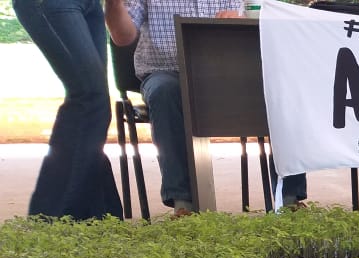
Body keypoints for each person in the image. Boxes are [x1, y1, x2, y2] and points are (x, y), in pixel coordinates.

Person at [104, 0, 306, 215]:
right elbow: (122, 37)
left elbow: (271, 18)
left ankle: (289, 200)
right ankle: (184, 204)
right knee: (163, 91)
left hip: (238, 71)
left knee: (284, 90)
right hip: (170, 72)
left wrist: (248, 19)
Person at [14, 0, 123, 220]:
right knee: (90, 96)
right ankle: (58, 214)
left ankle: (94, 213)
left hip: (91, 5)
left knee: (93, 101)